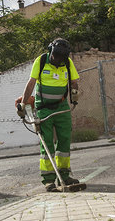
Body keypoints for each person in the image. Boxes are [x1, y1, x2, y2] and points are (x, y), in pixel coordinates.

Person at [15, 38, 81, 192]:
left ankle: (64, 176)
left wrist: (75, 94)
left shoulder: (68, 63)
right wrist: (23, 104)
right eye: (55, 56)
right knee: (47, 144)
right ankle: (49, 180)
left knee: (64, 142)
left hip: (62, 106)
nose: (57, 60)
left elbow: (74, 81)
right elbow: (31, 83)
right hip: (44, 108)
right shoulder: (42, 60)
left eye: (60, 58)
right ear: (51, 51)